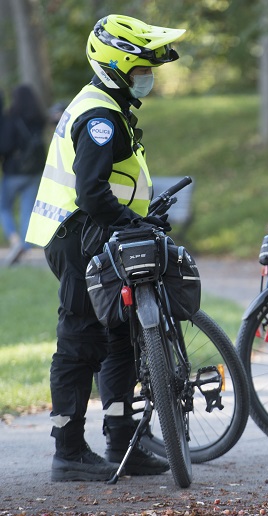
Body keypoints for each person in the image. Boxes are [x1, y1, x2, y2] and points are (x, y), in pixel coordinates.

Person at [24, 14, 185, 482]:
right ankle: (68, 452)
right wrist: (132, 220)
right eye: (141, 70)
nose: (148, 78)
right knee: (81, 339)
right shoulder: (99, 116)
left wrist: (139, 214)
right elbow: (92, 192)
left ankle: (122, 442)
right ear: (118, 68)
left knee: (119, 336)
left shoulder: (110, 106)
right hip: (77, 235)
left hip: (95, 233)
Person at [0, 84, 47, 266]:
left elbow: (5, 146)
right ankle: (26, 247)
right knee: (28, 208)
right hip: (35, 171)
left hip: (13, 172)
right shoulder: (38, 119)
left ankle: (14, 240)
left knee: (4, 207)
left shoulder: (11, 119)